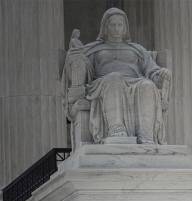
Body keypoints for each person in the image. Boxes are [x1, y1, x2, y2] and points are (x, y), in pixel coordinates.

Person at [63, 7, 171, 144]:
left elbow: (151, 70)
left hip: (135, 82)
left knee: (148, 85)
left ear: (125, 28)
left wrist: (160, 75)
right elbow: (80, 65)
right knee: (114, 78)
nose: (116, 29)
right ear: (105, 27)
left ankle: (146, 135)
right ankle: (116, 128)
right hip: (103, 83)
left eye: (120, 25)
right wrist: (76, 52)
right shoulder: (94, 49)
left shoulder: (137, 49)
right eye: (113, 25)